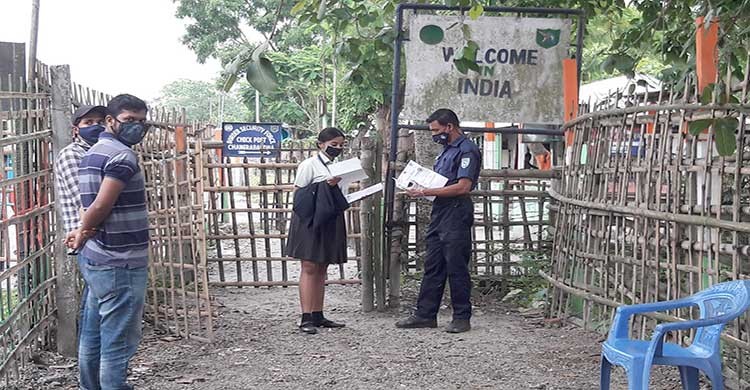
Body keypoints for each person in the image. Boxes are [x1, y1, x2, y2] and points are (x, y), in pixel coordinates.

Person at [66, 94, 151, 390]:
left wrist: (83, 231)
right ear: (111, 121)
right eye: (129, 121)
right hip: (120, 261)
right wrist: (84, 227)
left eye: (142, 122)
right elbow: (101, 206)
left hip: (97, 255)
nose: (137, 127)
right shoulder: (122, 156)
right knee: (118, 343)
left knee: (93, 334)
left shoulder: (95, 151)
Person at [395, 108, 481, 333]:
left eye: (436, 130)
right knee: (433, 264)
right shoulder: (445, 151)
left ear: (449, 127)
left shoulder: (467, 150)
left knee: (456, 265)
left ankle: (462, 316)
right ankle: (425, 314)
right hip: (440, 211)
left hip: (457, 210)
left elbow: (463, 186)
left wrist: (424, 192)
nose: (434, 134)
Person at [286, 127, 350, 334]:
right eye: (333, 145)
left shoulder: (340, 167)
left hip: (330, 218)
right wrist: (326, 184)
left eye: (341, 145)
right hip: (309, 219)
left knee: (322, 266)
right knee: (310, 266)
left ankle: (318, 314)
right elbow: (300, 194)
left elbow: (342, 196)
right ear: (320, 144)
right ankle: (305, 316)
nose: (337, 148)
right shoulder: (309, 165)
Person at [53, 105, 107, 343]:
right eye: (88, 123)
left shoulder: (100, 152)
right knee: (96, 311)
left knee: (95, 304)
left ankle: (91, 373)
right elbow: (84, 202)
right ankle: (90, 372)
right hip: (87, 238)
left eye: (99, 121)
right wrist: (87, 231)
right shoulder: (72, 155)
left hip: (95, 236)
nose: (95, 126)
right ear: (76, 129)